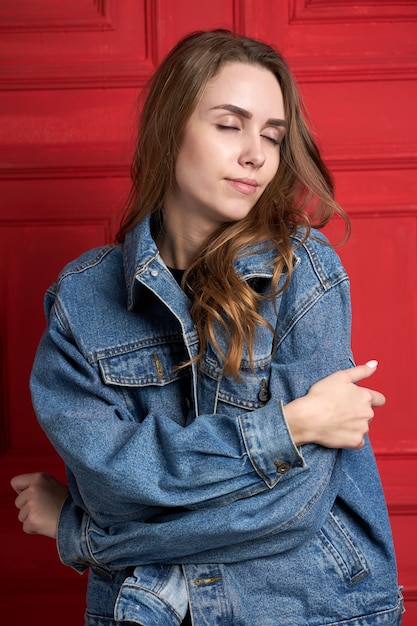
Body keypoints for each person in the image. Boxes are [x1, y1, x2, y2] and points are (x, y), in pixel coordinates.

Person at [11, 29, 403, 626]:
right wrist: (288, 427)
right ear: (171, 132)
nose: (257, 155)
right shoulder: (81, 300)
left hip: (307, 608)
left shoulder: (303, 270)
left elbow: (291, 509)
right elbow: (116, 486)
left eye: (272, 135)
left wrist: (84, 535)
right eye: (229, 125)